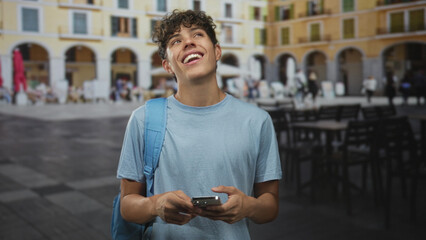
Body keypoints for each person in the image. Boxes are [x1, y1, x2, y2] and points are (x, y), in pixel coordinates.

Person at [116, 9, 282, 239]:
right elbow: (127, 205)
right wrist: (156, 205)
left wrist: (248, 206)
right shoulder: (143, 119)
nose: (188, 42)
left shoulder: (257, 120)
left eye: (197, 34)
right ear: (167, 66)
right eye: (176, 40)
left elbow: (270, 205)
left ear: (217, 51)